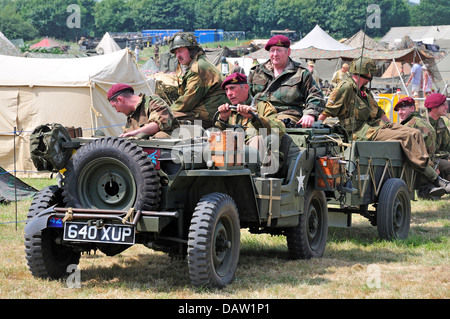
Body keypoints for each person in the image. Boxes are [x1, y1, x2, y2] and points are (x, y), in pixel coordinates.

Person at [318, 57, 450, 196]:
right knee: (406, 137)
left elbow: (379, 112)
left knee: (415, 133)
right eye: (371, 73)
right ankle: (434, 179)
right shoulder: (345, 87)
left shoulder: (363, 91)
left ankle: (428, 181)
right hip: (361, 132)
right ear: (366, 73)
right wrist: (317, 123)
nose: (371, 76)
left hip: (376, 126)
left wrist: (390, 125)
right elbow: (329, 110)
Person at [248, 35, 325, 128]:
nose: (275, 54)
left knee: (272, 131)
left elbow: (316, 95)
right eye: (272, 50)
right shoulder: (257, 71)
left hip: (287, 116)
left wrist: (310, 113)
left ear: (288, 52)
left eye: (279, 50)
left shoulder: (300, 73)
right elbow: (245, 94)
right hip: (258, 114)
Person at [216, 73, 285, 174]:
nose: (229, 93)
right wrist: (222, 120)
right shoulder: (229, 112)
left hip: (267, 164)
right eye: (226, 90)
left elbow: (279, 130)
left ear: (246, 87)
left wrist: (254, 118)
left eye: (232, 88)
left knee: (257, 140)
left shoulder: (262, 107)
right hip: (235, 164)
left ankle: (252, 177)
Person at [168, 32, 229, 129]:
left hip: (208, 115)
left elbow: (187, 101)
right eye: (176, 53)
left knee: (167, 119)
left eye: (180, 51)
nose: (177, 56)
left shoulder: (197, 68)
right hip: (211, 111)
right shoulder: (200, 62)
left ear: (192, 50)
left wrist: (166, 111)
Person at [394, 97, 444, 197]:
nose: (400, 112)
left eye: (403, 109)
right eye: (398, 110)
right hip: (430, 164)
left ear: (412, 109)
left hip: (420, 167)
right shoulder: (422, 121)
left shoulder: (410, 125)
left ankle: (426, 188)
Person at [107, 83, 178, 139]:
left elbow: (158, 124)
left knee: (161, 135)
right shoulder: (132, 117)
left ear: (120, 100)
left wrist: (135, 133)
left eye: (115, 107)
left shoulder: (153, 102)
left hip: (168, 152)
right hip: (142, 155)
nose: (117, 111)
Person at [425, 93, 450, 182]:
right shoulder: (422, 124)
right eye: (443, 105)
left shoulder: (440, 121)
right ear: (434, 108)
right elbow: (421, 153)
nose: (447, 107)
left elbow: (448, 144)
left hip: (441, 157)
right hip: (429, 162)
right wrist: (433, 165)